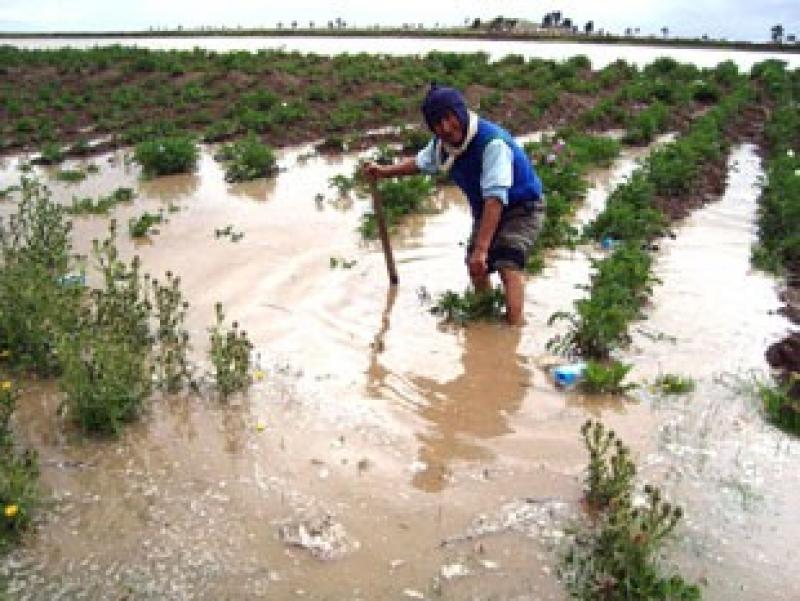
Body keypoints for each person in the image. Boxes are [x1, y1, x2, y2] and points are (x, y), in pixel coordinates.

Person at [364, 84, 544, 325]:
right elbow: (419, 163)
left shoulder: (493, 143)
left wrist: (482, 249)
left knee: (508, 263)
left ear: (460, 113)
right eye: (437, 124)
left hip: (522, 206)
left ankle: (514, 326)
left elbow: (495, 198)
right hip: (486, 208)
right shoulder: (442, 146)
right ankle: (486, 318)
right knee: (475, 267)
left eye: (449, 118)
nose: (446, 128)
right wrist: (384, 171)